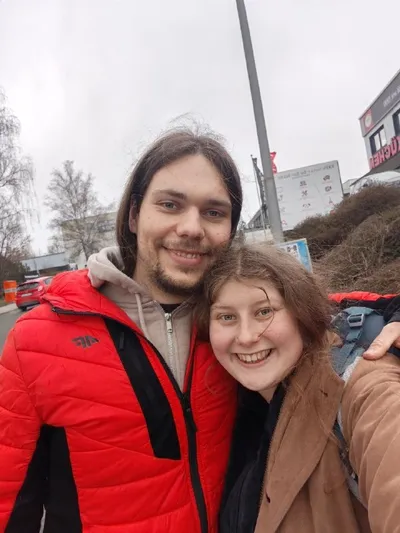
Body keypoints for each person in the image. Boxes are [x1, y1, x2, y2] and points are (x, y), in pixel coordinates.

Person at [0, 129, 399, 533]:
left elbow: (324, 309)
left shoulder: (229, 316)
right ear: (134, 214)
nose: (191, 227)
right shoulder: (37, 339)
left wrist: (394, 313)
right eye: (170, 204)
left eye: (213, 212)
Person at [196, 243, 400, 533]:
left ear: (301, 313)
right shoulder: (239, 406)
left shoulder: (362, 387)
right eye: (226, 317)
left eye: (264, 311)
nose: (246, 336)